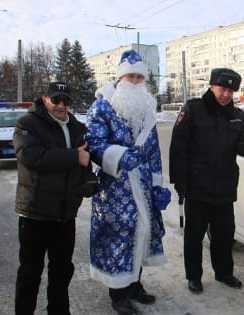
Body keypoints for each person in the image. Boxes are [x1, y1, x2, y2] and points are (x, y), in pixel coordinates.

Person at [85, 49, 171, 315]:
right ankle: (118, 292)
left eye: (139, 78)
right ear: (120, 79)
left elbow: (154, 149)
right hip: (115, 186)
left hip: (142, 183)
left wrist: (157, 183)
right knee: (118, 234)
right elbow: (94, 143)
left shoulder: (146, 108)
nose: (135, 82)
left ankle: (134, 284)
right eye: (130, 77)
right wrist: (119, 157)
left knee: (142, 232)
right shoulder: (102, 105)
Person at [169, 68, 244, 294]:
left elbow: (243, 142)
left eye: (230, 90)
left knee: (224, 234)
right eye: (222, 89)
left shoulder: (237, 115)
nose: (226, 94)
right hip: (197, 186)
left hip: (224, 187)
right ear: (212, 86)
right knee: (194, 235)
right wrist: (180, 181)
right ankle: (194, 276)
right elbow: (178, 147)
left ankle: (224, 272)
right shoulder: (194, 109)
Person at [13, 81, 97, 315]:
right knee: (30, 272)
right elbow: (31, 156)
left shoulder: (77, 128)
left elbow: (84, 160)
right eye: (56, 100)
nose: (61, 106)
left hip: (65, 215)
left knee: (62, 272)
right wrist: (74, 157)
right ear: (44, 99)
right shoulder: (27, 123)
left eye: (66, 101)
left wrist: (88, 178)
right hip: (35, 213)